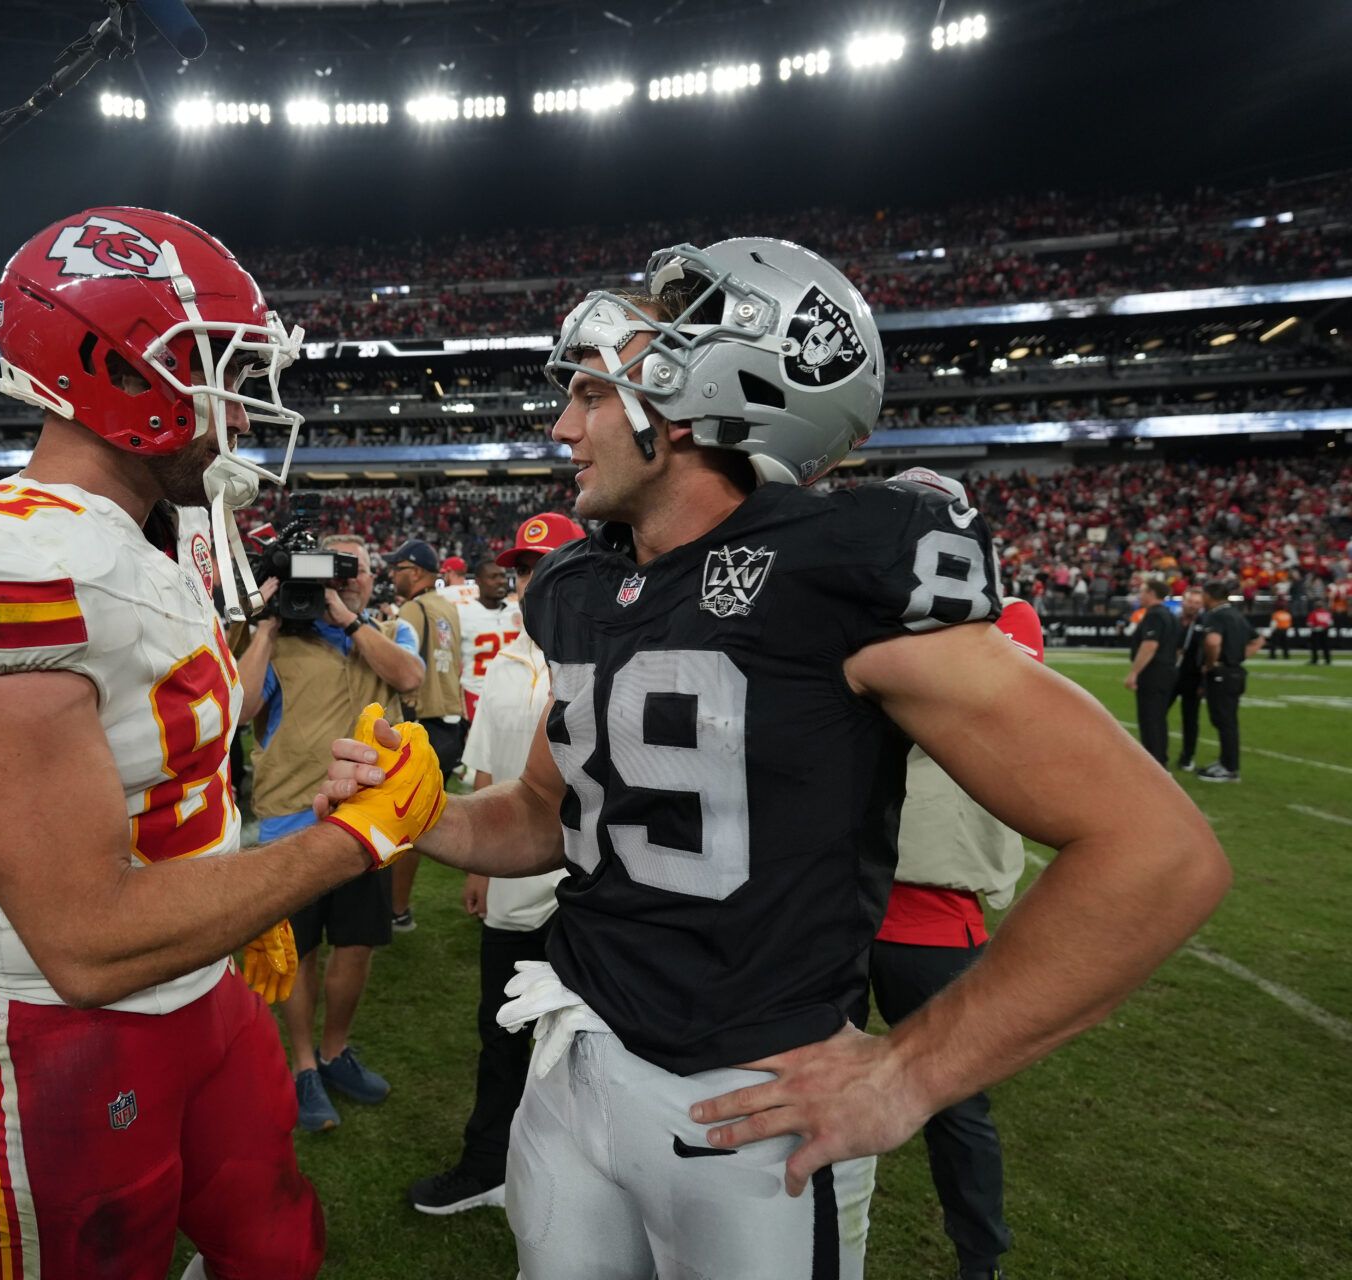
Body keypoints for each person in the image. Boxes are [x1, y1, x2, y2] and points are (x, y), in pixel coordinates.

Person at [316, 238, 1228, 1279]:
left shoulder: (841, 567)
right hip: (574, 1055)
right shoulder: (575, 585)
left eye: (591, 393)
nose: (563, 426)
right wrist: (422, 811)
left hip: (754, 1105)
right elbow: (540, 812)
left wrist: (909, 1071)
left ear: (698, 392)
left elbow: (1156, 848)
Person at [0, 207, 448, 1280]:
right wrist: (349, 844)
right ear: (123, 372)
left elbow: (161, 760)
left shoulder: (134, 550)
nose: (240, 405)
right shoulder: (1, 556)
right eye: (218, 371)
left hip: (199, 978)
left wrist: (287, 833)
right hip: (68, 1028)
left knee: (276, 1238)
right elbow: (83, 939)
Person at [869, 469, 1046, 1280]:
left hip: (926, 899)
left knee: (950, 1100)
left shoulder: (1003, 620)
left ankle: (982, 1256)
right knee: (795, 1076)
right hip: (842, 896)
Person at [408, 511, 582, 1217]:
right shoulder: (508, 661)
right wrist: (479, 869)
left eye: (548, 568)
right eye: (525, 570)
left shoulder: (618, 655)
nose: (530, 583)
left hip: (590, 886)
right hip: (516, 878)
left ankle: (575, 1182)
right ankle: (489, 1162)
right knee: (502, 1029)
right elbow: (486, 773)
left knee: (587, 1039)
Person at [236, 536, 424, 1132]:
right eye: (327, 578)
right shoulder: (274, 644)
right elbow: (239, 711)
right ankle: (303, 1065)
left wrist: (350, 622)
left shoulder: (386, 634)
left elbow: (411, 679)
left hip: (371, 819)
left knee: (357, 943)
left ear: (369, 579)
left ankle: (336, 1050)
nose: (341, 584)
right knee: (300, 953)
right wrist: (265, 625)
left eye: (354, 572)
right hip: (293, 818)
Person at [387, 538, 464, 931]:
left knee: (404, 825)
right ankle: (398, 907)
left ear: (415, 572)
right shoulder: (448, 605)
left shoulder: (412, 608)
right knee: (420, 821)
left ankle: (397, 909)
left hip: (425, 722)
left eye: (397, 568)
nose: (392, 575)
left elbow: (404, 668)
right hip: (452, 720)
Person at [1195, 580, 1261, 784]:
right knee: (1225, 721)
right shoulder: (1235, 614)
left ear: (1210, 596)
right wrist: (1239, 657)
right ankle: (1226, 762)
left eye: (1203, 595)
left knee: (1225, 722)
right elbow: (1258, 640)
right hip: (1235, 672)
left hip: (1222, 674)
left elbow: (1213, 641)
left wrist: (1211, 663)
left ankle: (1230, 768)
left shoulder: (1216, 615)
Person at [1124, 578, 1182, 767]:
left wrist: (1134, 672)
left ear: (1151, 593)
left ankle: (1154, 763)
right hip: (1167, 671)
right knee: (1158, 717)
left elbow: (1150, 645)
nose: (1140, 595)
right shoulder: (1170, 614)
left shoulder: (1155, 615)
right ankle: (1159, 759)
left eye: (1142, 591)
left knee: (1150, 719)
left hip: (1154, 673)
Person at [458, 558, 523, 721]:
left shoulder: (519, 611)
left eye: (502, 576)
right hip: (477, 693)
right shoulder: (462, 613)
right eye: (493, 577)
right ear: (478, 581)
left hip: (515, 693)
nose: (500, 581)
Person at [1169, 585, 1207, 772]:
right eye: (1190, 601)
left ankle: (1187, 757)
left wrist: (1204, 681)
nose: (1193, 606)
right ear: (1183, 601)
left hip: (1193, 676)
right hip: (1170, 675)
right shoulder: (1173, 620)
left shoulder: (1205, 623)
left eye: (1197, 603)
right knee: (1157, 715)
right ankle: (1157, 753)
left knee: (1190, 719)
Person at [1306, 600, 1333, 665]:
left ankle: (1315, 660)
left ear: (1315, 606)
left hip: (1316, 631)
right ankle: (1328, 660)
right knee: (1325, 646)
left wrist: (1315, 628)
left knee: (1314, 646)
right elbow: (1330, 623)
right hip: (1325, 631)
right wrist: (1324, 627)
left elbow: (1309, 623)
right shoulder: (1327, 613)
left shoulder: (1313, 613)